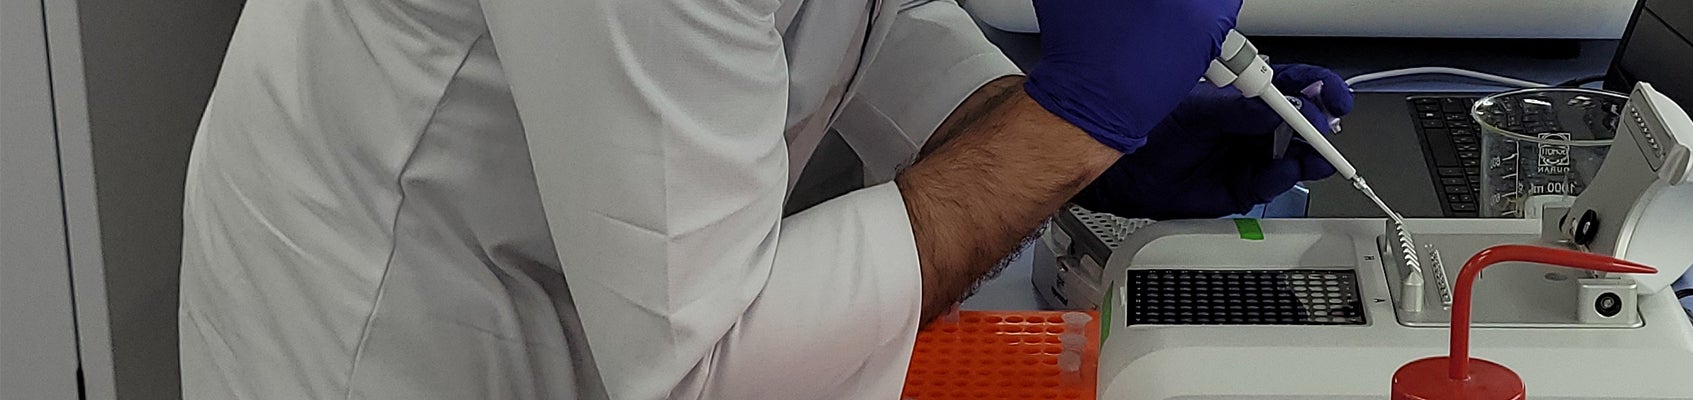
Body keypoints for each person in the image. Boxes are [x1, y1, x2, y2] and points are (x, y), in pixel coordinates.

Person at [176, 0, 1352, 398]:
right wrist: (1064, 133)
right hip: (399, 322)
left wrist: (1033, 128)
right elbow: (706, 363)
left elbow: (842, 15)